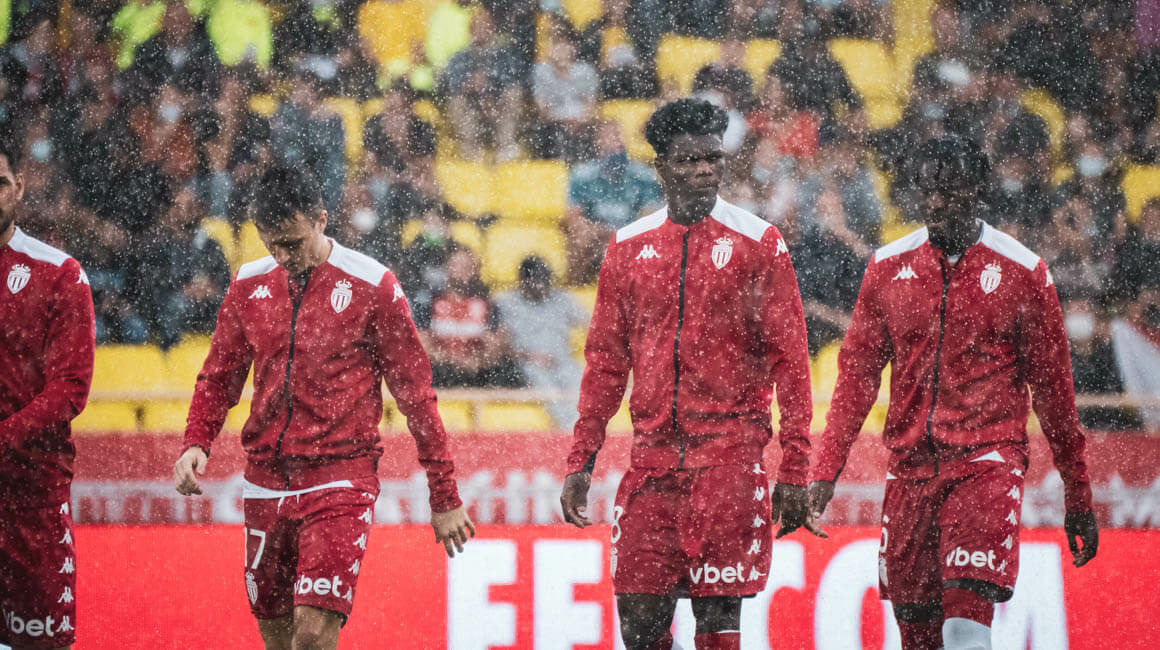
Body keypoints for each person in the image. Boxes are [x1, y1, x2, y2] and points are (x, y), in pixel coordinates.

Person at [807, 137, 1100, 650]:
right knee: (919, 641)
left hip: (987, 465)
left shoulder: (1024, 273)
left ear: (979, 189)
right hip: (909, 473)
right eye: (928, 190)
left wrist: (1078, 495)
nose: (936, 201)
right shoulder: (887, 267)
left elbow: (1055, 394)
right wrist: (825, 469)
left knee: (965, 631)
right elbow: (856, 378)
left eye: (950, 189)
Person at [173, 166, 474, 650]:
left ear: (321, 219)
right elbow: (219, 374)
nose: (282, 256)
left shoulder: (373, 285)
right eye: (271, 243)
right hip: (266, 479)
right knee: (279, 640)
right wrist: (196, 442)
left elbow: (416, 395)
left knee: (312, 635)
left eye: (293, 243)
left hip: (340, 477)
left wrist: (444, 494)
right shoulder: (247, 285)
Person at [559, 98, 816, 649]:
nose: (704, 170)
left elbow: (792, 362)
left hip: (729, 462)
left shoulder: (759, 243)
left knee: (717, 627)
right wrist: (582, 458)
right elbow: (606, 363)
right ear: (661, 166)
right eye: (689, 160)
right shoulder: (628, 248)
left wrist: (795, 466)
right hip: (651, 466)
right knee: (638, 627)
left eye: (712, 159)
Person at [0, 134, 94, 649]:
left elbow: (70, 388)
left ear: (19, 186)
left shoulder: (59, 274)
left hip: (30, 497)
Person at [495, 256, 588, 428]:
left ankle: (580, 427)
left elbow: (590, 325)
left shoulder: (561, 299)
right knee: (547, 388)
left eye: (544, 281)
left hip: (563, 362)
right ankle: (567, 430)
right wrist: (529, 356)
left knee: (580, 380)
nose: (540, 286)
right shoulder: (506, 303)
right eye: (535, 281)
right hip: (528, 363)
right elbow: (500, 345)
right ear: (523, 282)